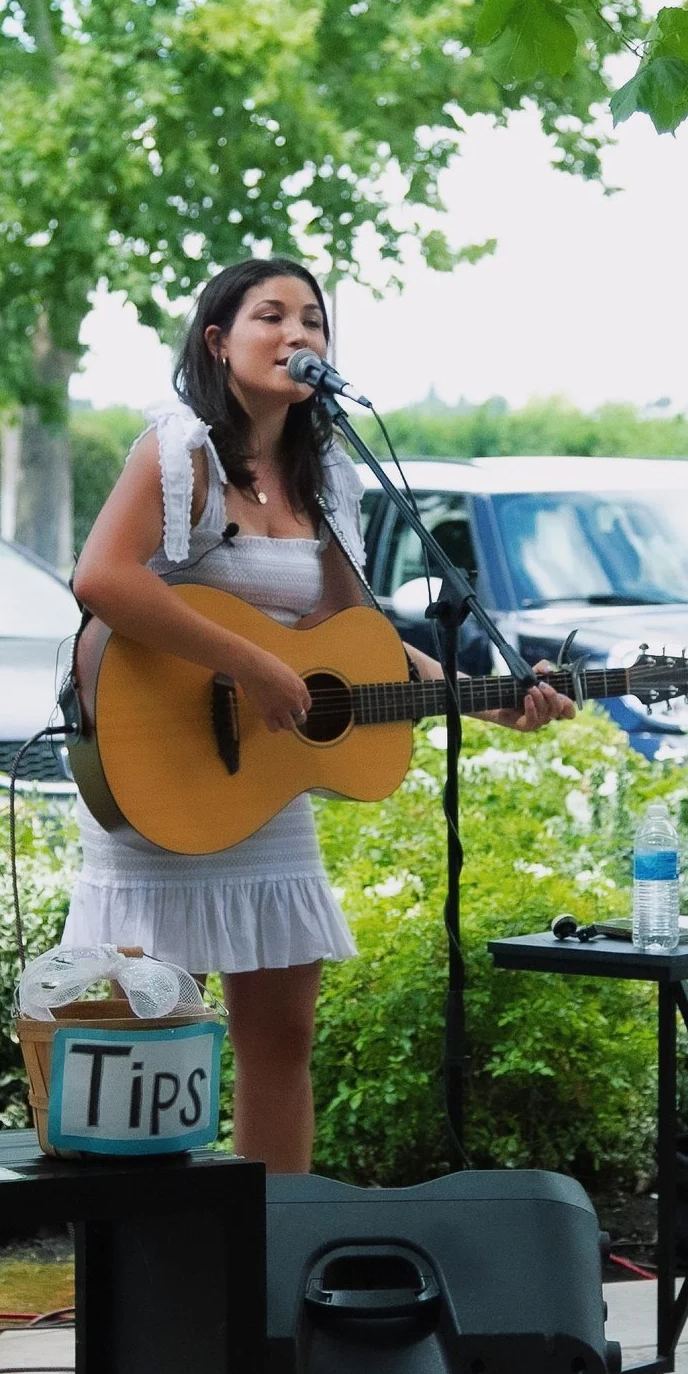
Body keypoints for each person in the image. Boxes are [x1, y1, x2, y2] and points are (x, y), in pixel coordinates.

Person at [66, 257, 574, 1173]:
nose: (298, 334)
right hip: (164, 774)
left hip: (265, 793)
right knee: (148, 1043)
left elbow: (355, 638)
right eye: (272, 316)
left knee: (282, 1043)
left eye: (313, 319)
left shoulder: (327, 473)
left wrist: (489, 699)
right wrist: (251, 662)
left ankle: (273, 1238)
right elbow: (102, 577)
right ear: (218, 341)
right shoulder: (178, 452)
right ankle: (149, 1253)